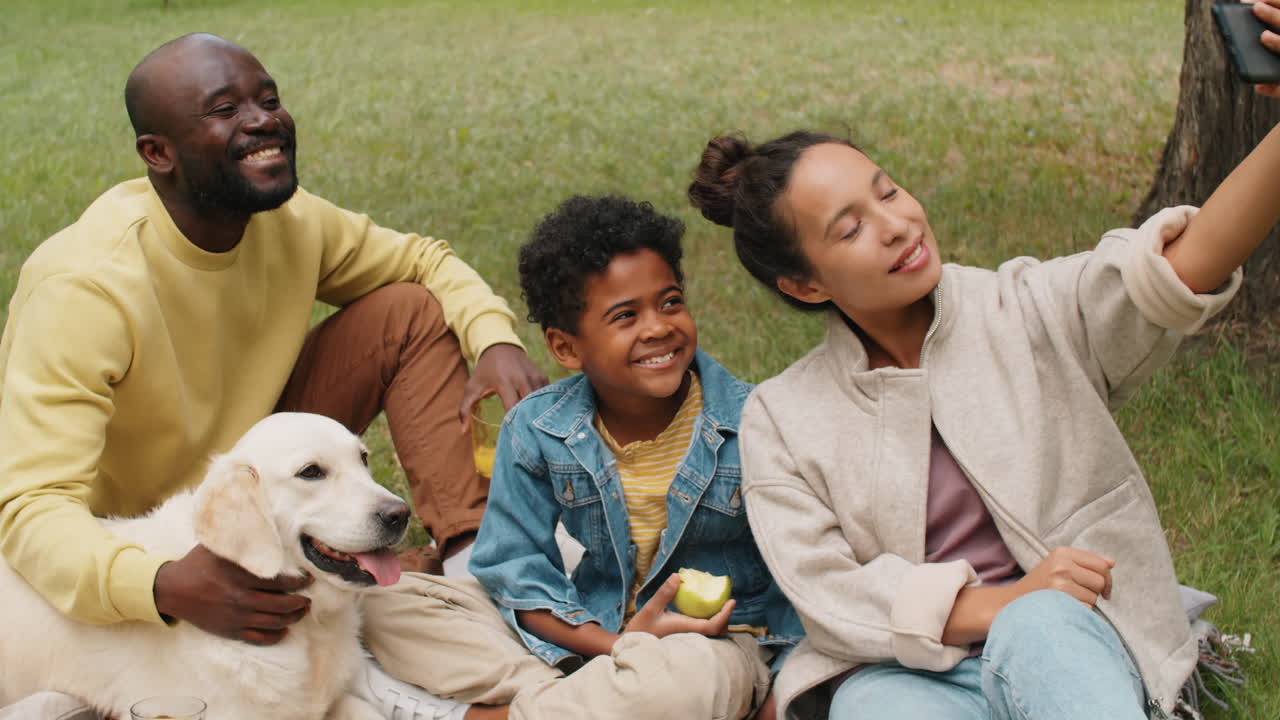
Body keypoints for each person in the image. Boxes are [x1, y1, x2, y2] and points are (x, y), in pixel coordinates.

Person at [684, 65, 1280, 720]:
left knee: (1041, 622)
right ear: (804, 284)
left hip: (1071, 637)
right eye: (849, 229)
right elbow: (826, 591)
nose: (896, 224)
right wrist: (997, 601)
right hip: (914, 671)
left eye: (889, 191)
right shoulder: (783, 416)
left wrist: (1033, 601)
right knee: (871, 708)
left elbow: (1176, 268)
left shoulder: (1025, 309)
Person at [0, 33, 546, 719]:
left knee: (405, 308)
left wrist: (493, 338)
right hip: (150, 530)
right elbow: (30, 511)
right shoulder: (84, 287)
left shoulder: (289, 220)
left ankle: (470, 575)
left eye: (269, 100)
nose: (263, 121)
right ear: (157, 153)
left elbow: (422, 260)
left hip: (268, 466)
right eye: (225, 109)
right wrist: (161, 583)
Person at [464, 195, 804, 720]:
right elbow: (514, 569)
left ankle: (501, 712)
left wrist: (779, 697)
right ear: (566, 348)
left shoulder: (757, 423)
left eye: (670, 302)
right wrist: (613, 646)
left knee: (673, 685)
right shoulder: (537, 429)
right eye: (625, 315)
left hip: (714, 645)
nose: (658, 327)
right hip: (592, 638)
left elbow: (800, 580)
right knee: (394, 609)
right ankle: (579, 697)